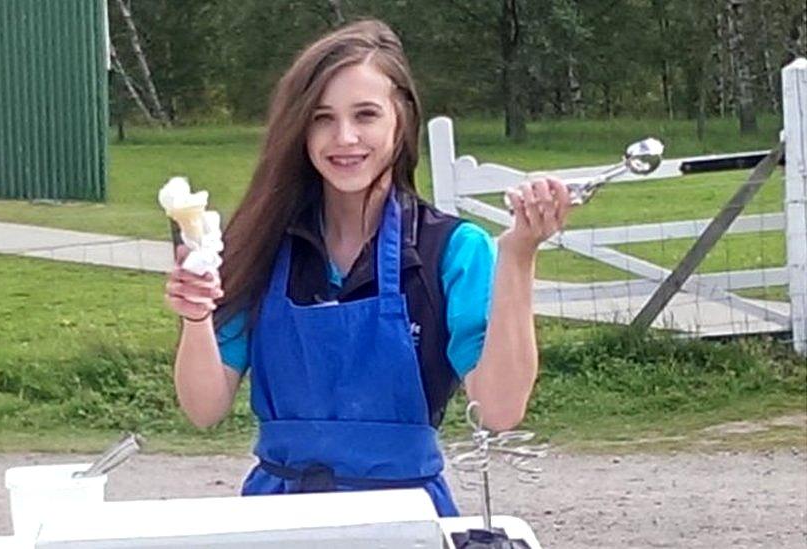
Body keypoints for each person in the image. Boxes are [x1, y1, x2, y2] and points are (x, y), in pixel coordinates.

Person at [164, 19, 570, 517]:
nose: (345, 137)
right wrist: (196, 314)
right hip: (275, 520)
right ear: (299, 129)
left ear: (401, 120)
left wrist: (519, 256)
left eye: (366, 114)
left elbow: (500, 409)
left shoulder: (452, 250)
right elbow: (203, 408)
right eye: (322, 117)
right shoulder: (263, 244)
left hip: (404, 521)